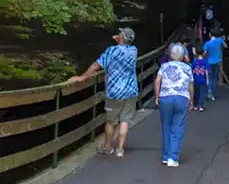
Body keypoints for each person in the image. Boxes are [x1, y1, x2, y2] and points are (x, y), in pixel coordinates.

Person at [70, 27, 138, 158]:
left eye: (119, 34)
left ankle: (108, 147)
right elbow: (124, 48)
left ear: (121, 37)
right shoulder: (134, 51)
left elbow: (97, 65)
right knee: (124, 120)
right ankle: (120, 149)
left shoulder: (111, 51)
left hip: (115, 92)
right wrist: (120, 40)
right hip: (131, 90)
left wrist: (83, 77)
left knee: (111, 121)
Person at [154, 43, 193, 166]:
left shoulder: (164, 66)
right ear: (182, 56)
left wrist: (157, 96)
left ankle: (165, 156)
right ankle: (173, 157)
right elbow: (191, 86)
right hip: (182, 98)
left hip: (165, 98)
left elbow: (157, 81)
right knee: (178, 127)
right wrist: (191, 100)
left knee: (166, 126)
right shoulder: (187, 68)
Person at [204, 30, 228, 101]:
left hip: (209, 62)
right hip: (217, 62)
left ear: (210, 34)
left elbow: (205, 52)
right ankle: (214, 95)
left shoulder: (207, 43)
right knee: (214, 78)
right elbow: (226, 46)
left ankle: (209, 90)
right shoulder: (219, 40)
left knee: (210, 78)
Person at [191, 47, 208, 112]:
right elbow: (206, 71)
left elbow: (193, 70)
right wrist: (207, 79)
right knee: (202, 93)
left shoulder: (194, 61)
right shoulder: (205, 61)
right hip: (202, 79)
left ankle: (195, 105)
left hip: (196, 79)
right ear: (203, 53)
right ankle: (201, 106)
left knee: (196, 92)